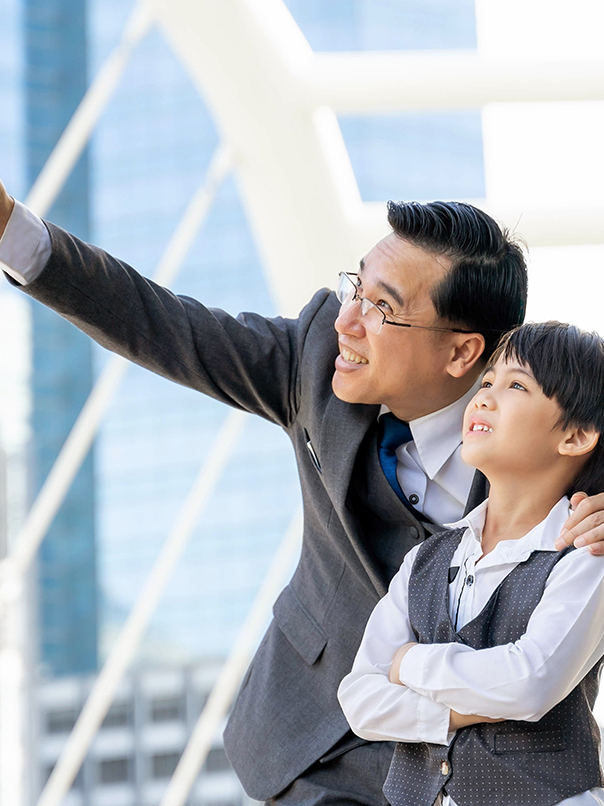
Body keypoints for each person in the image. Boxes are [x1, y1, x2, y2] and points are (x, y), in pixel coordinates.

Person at [1, 183, 604, 805]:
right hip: (313, 740)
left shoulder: (561, 429)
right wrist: (10, 228)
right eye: (355, 288)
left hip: (502, 775)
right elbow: (159, 323)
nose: (347, 322)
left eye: (381, 310)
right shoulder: (313, 363)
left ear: (461, 352)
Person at [338, 321, 604, 806]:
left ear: (577, 435)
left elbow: (528, 682)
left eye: (516, 385)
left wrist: (408, 662)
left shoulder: (587, 552)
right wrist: (457, 713)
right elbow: (359, 699)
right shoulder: (426, 559)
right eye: (486, 383)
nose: (482, 398)